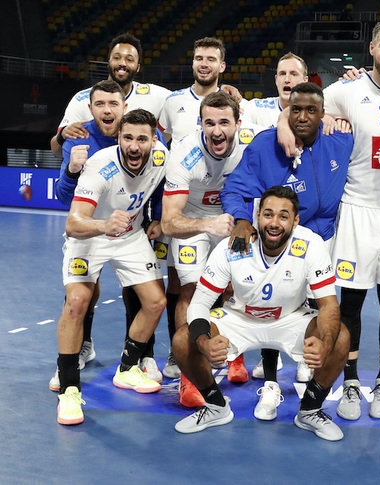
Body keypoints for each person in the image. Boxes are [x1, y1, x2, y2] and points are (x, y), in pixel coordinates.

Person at [278, 20, 380, 422]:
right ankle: (352, 381)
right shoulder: (345, 90)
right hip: (356, 209)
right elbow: (297, 106)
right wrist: (282, 125)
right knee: (350, 304)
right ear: (372, 48)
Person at [172, 186, 350, 440]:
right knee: (182, 339)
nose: (274, 223)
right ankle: (216, 407)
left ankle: (310, 411)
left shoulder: (312, 244)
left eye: (283, 216)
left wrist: (326, 344)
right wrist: (204, 342)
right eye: (268, 214)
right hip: (240, 318)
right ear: (256, 215)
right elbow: (200, 304)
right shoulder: (229, 248)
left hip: (291, 318)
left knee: (340, 336)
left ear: (295, 221)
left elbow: (329, 305)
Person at [222, 82, 353, 384]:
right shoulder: (265, 145)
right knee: (275, 306)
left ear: (324, 114)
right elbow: (233, 190)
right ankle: (270, 380)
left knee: (317, 305)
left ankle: (306, 358)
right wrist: (242, 220)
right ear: (286, 112)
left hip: (326, 239)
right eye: (295, 110)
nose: (303, 117)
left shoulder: (342, 141)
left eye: (311, 110)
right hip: (278, 240)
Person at [55, 109, 169, 426]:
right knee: (77, 302)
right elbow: (73, 222)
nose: (134, 146)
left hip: (130, 235)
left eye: (142, 139)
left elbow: (162, 188)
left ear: (153, 140)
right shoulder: (99, 167)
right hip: (91, 234)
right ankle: (68, 390)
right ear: (118, 137)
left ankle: (128, 367)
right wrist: (104, 223)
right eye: (128, 137)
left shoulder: (161, 157)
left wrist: (157, 217)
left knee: (156, 301)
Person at [161, 91, 251, 405]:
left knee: (237, 289)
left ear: (238, 123)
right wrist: (207, 226)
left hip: (234, 218)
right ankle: (190, 377)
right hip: (192, 221)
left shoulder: (250, 147)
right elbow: (168, 222)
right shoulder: (184, 152)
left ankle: (234, 354)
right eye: (209, 122)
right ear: (200, 123)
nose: (217, 130)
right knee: (192, 292)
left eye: (224, 122)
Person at [49, 80, 128, 391]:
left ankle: (136, 359)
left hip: (128, 227)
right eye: (100, 104)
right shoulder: (79, 137)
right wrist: (71, 168)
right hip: (89, 227)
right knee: (81, 296)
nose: (107, 110)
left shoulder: (139, 133)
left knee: (141, 292)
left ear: (124, 107)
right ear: (91, 108)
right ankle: (81, 348)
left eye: (113, 104)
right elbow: (62, 196)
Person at [50, 33, 171, 157]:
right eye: (117, 58)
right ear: (109, 62)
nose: (122, 63)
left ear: (138, 67)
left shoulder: (155, 95)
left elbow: (184, 104)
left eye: (129, 59)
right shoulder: (82, 99)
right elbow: (56, 151)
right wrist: (62, 135)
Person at [158, 37, 228, 149]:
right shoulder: (173, 100)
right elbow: (159, 141)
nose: (204, 64)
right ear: (193, 63)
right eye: (199, 58)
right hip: (177, 166)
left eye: (211, 60)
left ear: (222, 66)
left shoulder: (232, 105)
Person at [241, 53, 308, 129]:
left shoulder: (316, 115)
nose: (287, 79)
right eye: (282, 74)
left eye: (294, 74)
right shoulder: (255, 107)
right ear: (276, 80)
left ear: (305, 81)